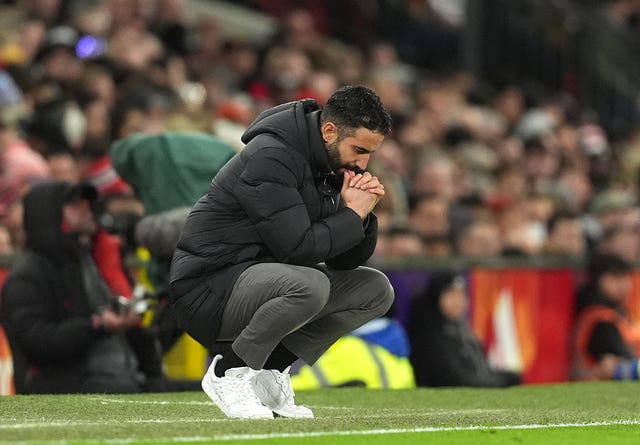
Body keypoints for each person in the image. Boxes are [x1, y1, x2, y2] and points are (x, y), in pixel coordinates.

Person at [169, 85, 395, 419]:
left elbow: (343, 261)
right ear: (329, 131)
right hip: (207, 289)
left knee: (375, 290)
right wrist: (349, 215)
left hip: (263, 281)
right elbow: (298, 249)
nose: (363, 163)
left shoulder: (328, 164)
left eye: (370, 153)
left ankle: (269, 373)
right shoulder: (271, 156)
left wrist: (361, 216)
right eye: (359, 149)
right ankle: (228, 372)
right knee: (310, 284)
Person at [0, 181, 168, 394]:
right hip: (74, 384)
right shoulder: (30, 274)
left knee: (194, 391)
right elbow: (37, 341)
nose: (86, 208)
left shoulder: (96, 256)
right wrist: (97, 326)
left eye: (85, 202)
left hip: (128, 377)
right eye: (74, 204)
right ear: (49, 213)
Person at [408, 271, 522, 387]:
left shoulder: (463, 329)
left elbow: (481, 370)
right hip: (449, 393)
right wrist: (495, 383)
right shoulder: (429, 334)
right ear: (437, 298)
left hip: (478, 384)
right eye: (451, 295)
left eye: (461, 295)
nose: (457, 301)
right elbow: (454, 378)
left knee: (514, 376)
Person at [571, 253, 640, 381]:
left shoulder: (621, 315)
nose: (623, 284)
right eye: (615, 278)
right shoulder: (600, 320)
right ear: (598, 280)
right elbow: (618, 362)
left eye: (625, 277)